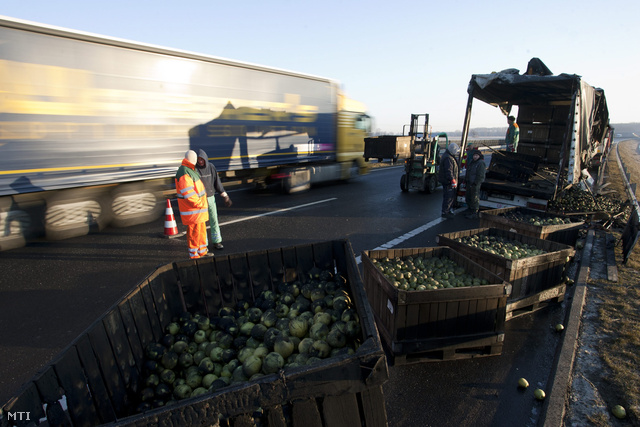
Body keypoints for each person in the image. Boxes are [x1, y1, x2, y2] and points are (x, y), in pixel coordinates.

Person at [175, 150, 210, 259]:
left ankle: (202, 251)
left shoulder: (189, 170)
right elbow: (188, 193)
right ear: (192, 159)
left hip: (197, 211)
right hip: (194, 210)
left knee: (200, 232)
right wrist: (200, 204)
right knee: (194, 234)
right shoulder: (185, 172)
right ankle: (194, 255)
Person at [196, 149, 232, 250]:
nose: (200, 161)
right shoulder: (195, 169)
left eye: (202, 159)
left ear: (205, 159)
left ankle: (217, 241)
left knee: (214, 220)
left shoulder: (211, 167)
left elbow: (217, 182)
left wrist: (225, 196)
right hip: (200, 200)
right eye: (199, 159)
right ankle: (204, 244)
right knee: (202, 223)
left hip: (210, 198)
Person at [438, 142, 460, 219]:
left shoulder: (448, 156)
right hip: (448, 181)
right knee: (448, 196)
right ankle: (445, 212)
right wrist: (452, 179)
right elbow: (449, 170)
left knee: (448, 196)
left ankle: (447, 210)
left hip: (447, 180)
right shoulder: (448, 158)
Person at [464, 149, 486, 219]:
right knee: (468, 197)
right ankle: (470, 209)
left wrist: (476, 182)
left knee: (474, 198)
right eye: (474, 155)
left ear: (479, 156)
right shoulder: (472, 162)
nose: (475, 157)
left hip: (475, 184)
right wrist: (466, 180)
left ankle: (474, 212)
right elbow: (468, 172)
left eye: (476, 155)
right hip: (469, 183)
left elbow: (480, 175)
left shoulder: (480, 163)